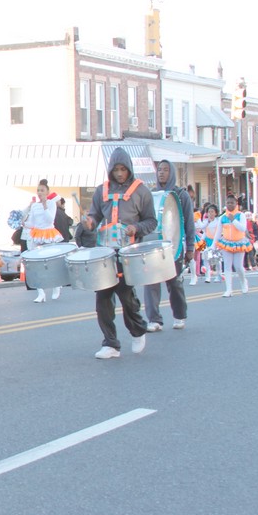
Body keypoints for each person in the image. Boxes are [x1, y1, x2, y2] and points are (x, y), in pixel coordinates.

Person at [85, 148, 156, 360]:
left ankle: (137, 329)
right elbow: (94, 216)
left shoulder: (141, 191)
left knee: (127, 297)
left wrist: (136, 228)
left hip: (129, 254)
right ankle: (110, 344)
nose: (119, 173)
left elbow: (151, 221)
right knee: (103, 298)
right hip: (105, 253)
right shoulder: (101, 190)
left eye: (123, 169)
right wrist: (89, 222)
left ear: (129, 169)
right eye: (115, 169)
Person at [143, 159, 195, 332]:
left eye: (165, 170)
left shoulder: (181, 194)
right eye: (159, 170)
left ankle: (179, 316)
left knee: (174, 283)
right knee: (151, 282)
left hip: (174, 246)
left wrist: (190, 248)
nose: (161, 173)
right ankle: (154, 319)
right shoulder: (151, 194)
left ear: (171, 172)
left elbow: (189, 223)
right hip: (154, 246)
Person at [20, 179, 64, 303]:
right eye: (38, 190)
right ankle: (40, 293)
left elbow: (50, 220)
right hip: (36, 234)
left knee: (51, 263)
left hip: (48, 234)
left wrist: (45, 206)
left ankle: (56, 286)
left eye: (42, 190)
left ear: (47, 191)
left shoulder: (51, 204)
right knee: (34, 264)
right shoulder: (34, 205)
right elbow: (32, 222)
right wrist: (24, 223)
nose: (40, 192)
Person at [216, 194, 251, 297]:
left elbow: (243, 228)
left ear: (236, 204)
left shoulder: (241, 215)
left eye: (232, 203)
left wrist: (233, 220)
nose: (230, 205)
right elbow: (218, 233)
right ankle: (228, 289)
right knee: (227, 267)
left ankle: (243, 282)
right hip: (226, 243)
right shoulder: (222, 217)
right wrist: (213, 246)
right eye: (228, 203)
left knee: (238, 266)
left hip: (239, 243)